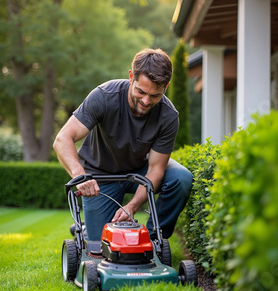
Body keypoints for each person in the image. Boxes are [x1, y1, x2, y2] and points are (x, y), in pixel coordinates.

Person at [53, 48, 193, 241]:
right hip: (100, 175)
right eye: (141, 91)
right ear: (131, 77)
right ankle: (88, 230)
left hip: (139, 173)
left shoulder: (168, 116)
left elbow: (155, 169)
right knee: (99, 244)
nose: (146, 101)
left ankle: (153, 240)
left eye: (155, 96)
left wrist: (132, 206)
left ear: (165, 87)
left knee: (181, 178)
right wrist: (80, 176)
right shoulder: (104, 96)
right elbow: (62, 139)